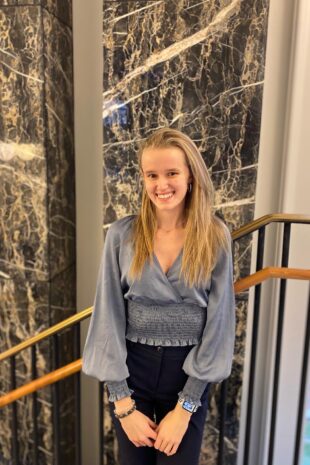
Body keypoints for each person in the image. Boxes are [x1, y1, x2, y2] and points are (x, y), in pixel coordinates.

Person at [82, 127, 236, 465]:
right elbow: (107, 315)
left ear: (191, 175)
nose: (161, 184)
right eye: (151, 174)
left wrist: (185, 408)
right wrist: (122, 403)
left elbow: (220, 322)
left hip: (187, 373)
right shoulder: (122, 235)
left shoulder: (214, 235)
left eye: (171, 173)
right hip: (131, 372)